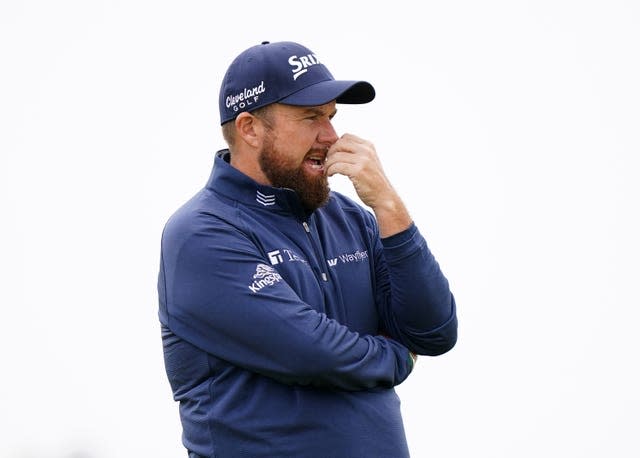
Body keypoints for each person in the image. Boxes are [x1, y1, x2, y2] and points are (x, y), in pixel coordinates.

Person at [158, 40, 458, 458]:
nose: (331, 136)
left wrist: (389, 207)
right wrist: (399, 358)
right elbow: (313, 353)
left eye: (332, 116)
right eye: (311, 117)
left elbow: (434, 331)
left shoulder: (351, 218)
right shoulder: (201, 232)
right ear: (249, 128)